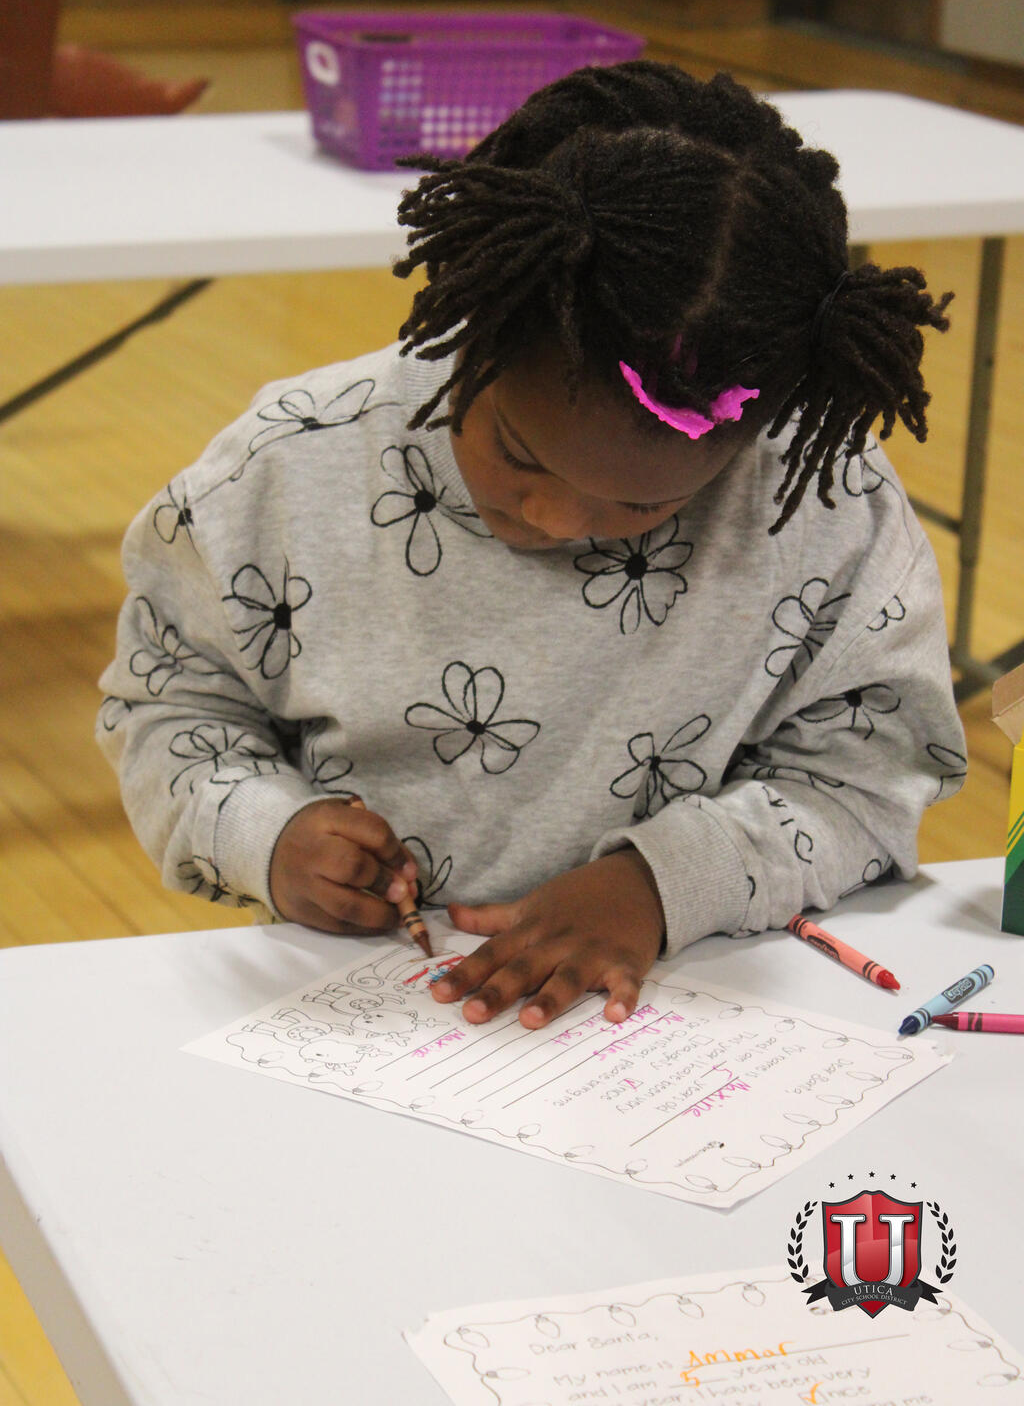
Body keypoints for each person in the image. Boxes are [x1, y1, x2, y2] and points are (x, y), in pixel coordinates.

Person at [97, 61, 966, 1032]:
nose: (555, 519)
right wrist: (268, 833)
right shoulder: (286, 470)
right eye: (516, 451)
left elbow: (868, 777)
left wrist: (657, 886)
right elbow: (169, 703)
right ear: (473, 325)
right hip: (357, 1019)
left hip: (692, 1020)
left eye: (642, 505)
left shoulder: (819, 503)